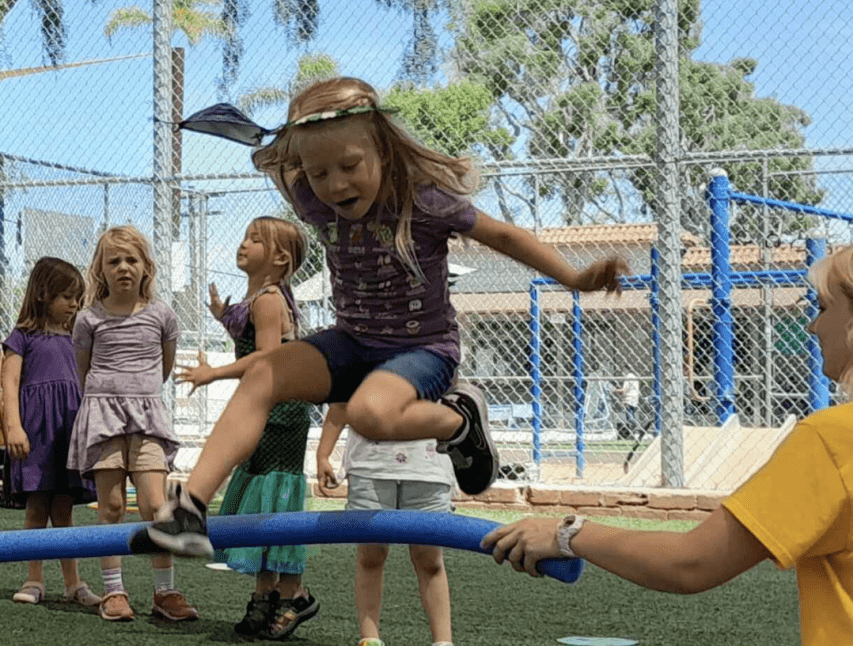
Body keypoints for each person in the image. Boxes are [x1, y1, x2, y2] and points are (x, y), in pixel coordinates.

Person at [136, 76, 628, 557]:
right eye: (320, 172)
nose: (335, 185)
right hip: (353, 341)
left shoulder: (424, 199)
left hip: (424, 349)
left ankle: (456, 422)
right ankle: (189, 512)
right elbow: (283, 162)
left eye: (350, 166)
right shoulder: (307, 193)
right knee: (263, 372)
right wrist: (276, 144)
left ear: (383, 151)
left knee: (370, 414)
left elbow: (502, 236)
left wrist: (574, 278)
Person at [482, 230, 853, 645]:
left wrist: (569, 533)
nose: (813, 328)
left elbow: (689, 563)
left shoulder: (842, 438)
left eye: (823, 308)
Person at [175, 216, 319, 639]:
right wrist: (223, 315)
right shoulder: (260, 297)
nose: (243, 244)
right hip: (272, 408)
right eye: (245, 235)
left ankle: (293, 593)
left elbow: (266, 357)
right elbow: (254, 341)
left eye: (255, 240)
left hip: (281, 412)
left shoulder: (268, 300)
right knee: (264, 497)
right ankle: (266, 593)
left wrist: (213, 373)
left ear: (279, 258)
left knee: (274, 495)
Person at [67, 226, 199, 622]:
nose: (123, 268)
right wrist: (109, 395)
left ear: (146, 268)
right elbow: (83, 370)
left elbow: (165, 364)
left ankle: (165, 591)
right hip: (102, 415)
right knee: (110, 506)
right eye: (114, 261)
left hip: (147, 417)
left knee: (155, 504)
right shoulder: (88, 319)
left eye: (132, 260)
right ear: (100, 270)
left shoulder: (162, 315)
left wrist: (140, 396)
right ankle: (114, 591)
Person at [2, 257, 101, 607]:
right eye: (67, 297)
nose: (74, 304)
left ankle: (74, 584)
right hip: (35, 434)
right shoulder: (21, 338)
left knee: (64, 510)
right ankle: (34, 579)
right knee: (36, 507)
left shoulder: (77, 338)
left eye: (77, 297)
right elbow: (9, 384)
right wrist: (12, 426)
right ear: (44, 295)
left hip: (68, 432)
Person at [318, 402, 456, 646]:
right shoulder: (358, 362)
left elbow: (455, 395)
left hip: (428, 466)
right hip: (370, 466)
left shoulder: (438, 363)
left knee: (429, 559)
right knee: (371, 555)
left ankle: (443, 642)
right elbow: (341, 402)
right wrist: (323, 454)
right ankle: (370, 638)